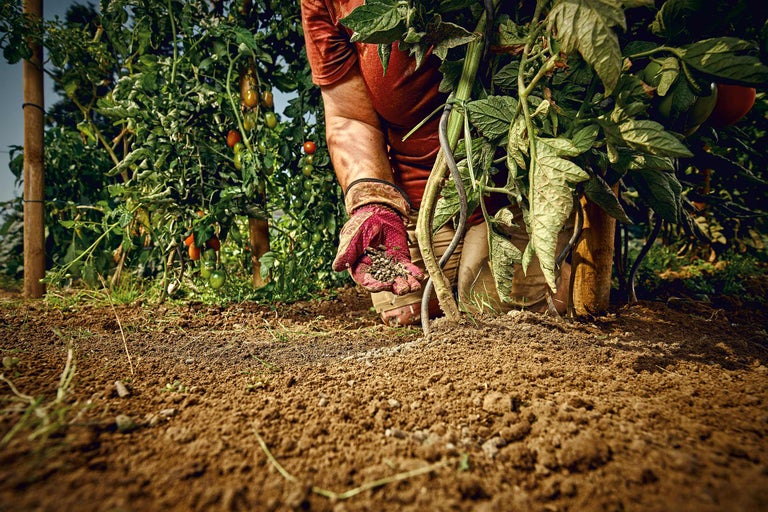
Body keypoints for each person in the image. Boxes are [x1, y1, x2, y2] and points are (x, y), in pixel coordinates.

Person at [301, 0, 572, 326]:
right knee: (404, 311)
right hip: (419, 198)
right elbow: (350, 117)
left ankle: (546, 257)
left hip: (508, 192)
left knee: (493, 309)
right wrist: (372, 201)